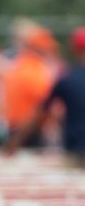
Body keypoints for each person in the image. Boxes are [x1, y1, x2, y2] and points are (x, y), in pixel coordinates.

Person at [5, 26, 85, 167]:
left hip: (74, 151)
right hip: (32, 133)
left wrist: (13, 143)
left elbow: (41, 112)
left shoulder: (65, 79)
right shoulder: (34, 70)